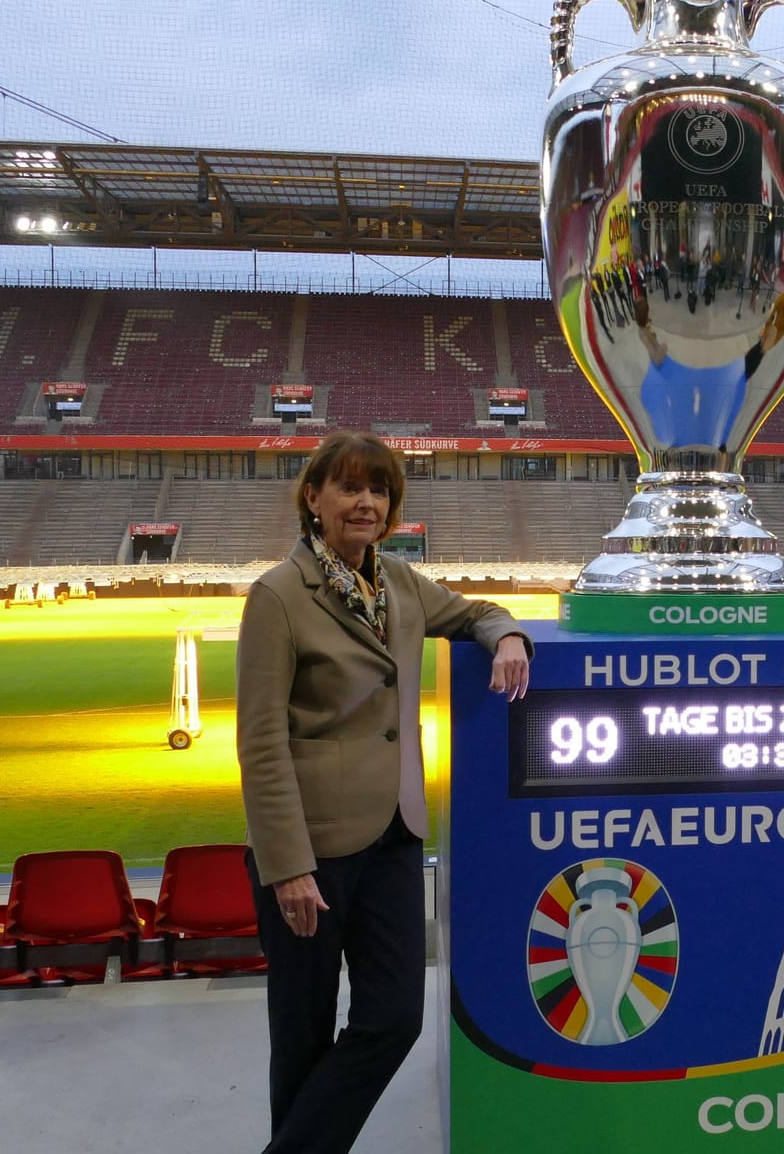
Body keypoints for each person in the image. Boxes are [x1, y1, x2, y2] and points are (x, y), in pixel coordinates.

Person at [237, 430, 532, 1153]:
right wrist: (288, 867)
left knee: (395, 1017)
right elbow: (260, 741)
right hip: (310, 852)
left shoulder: (398, 584)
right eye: (348, 487)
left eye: (379, 491)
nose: (365, 502)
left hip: (395, 838)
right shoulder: (279, 595)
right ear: (314, 499)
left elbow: (474, 613)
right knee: (301, 1035)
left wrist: (511, 637)